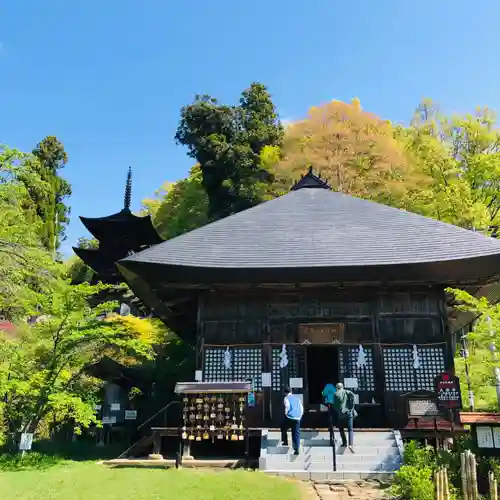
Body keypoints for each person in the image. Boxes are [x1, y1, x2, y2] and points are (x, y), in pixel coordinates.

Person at [332, 382, 357, 451]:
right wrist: (351, 408)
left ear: (337, 387)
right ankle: (351, 444)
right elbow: (353, 397)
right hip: (349, 413)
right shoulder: (347, 392)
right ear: (342, 387)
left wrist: (338, 411)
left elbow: (334, 405)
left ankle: (344, 442)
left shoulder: (335, 394)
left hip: (341, 415)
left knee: (341, 429)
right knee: (350, 429)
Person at [280, 385, 304, 455]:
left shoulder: (286, 398)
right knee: (296, 433)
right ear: (291, 391)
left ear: (285, 392)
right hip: (297, 418)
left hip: (290, 417)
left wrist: (286, 413)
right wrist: (300, 416)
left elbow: (287, 406)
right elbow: (301, 408)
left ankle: (285, 441)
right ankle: (296, 449)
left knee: (283, 426)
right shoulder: (297, 398)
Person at [322, 382, 337, 446]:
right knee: (333, 415)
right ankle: (333, 425)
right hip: (333, 403)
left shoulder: (326, 387)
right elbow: (336, 393)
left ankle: (330, 426)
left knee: (329, 416)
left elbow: (323, 394)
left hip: (328, 403)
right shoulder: (333, 388)